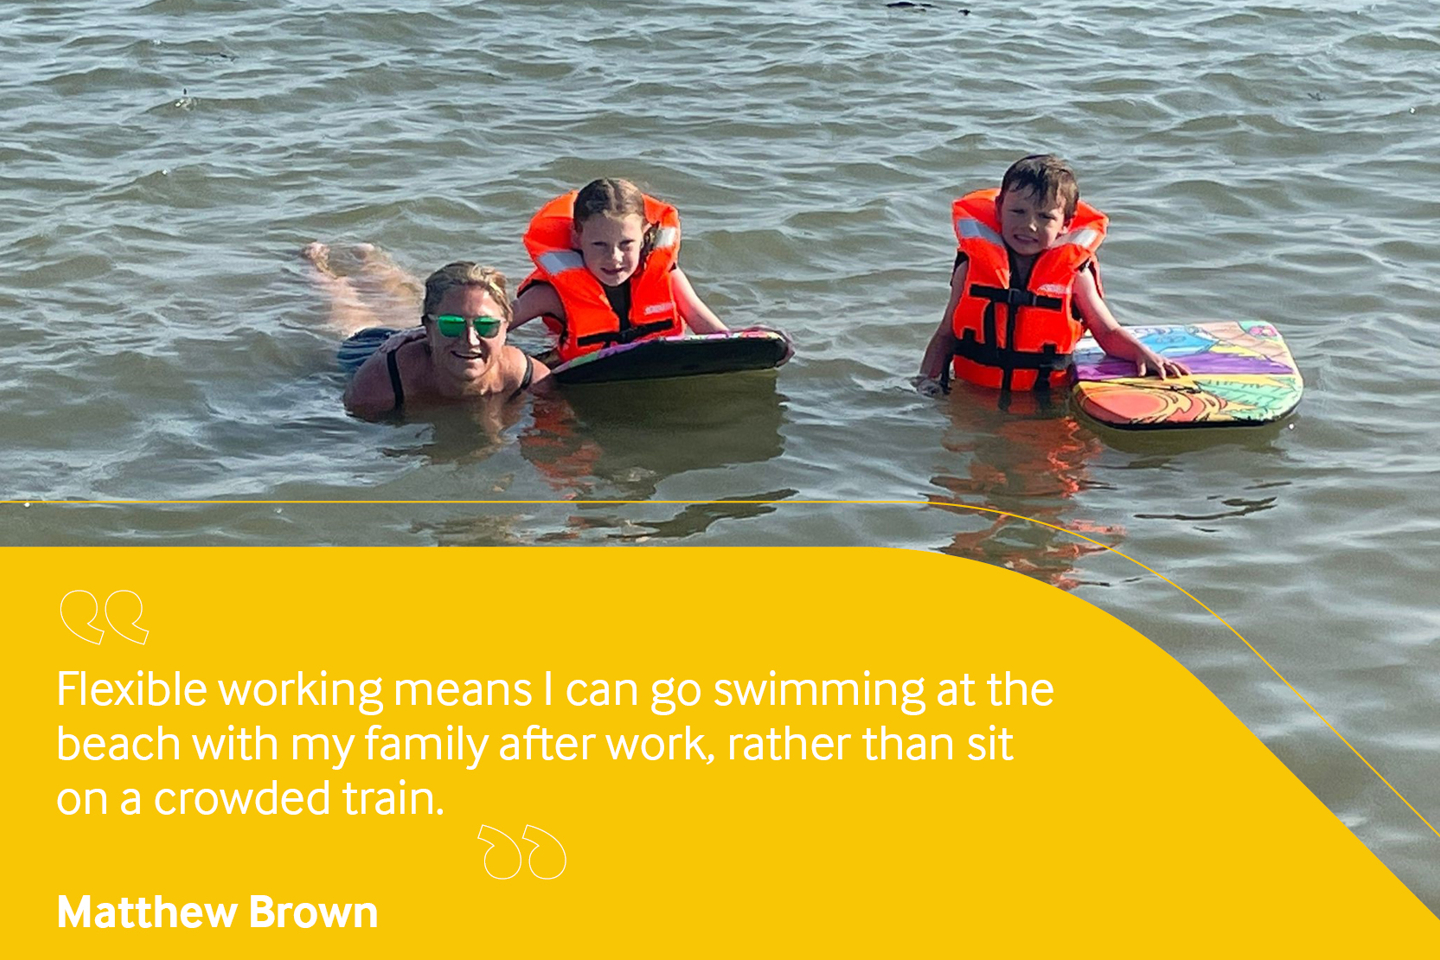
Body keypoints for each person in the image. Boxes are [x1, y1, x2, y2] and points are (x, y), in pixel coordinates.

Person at [916, 154, 1189, 397]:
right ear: (999, 209)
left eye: (1045, 216)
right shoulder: (972, 265)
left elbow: (1107, 331)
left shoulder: (1074, 273)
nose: (1029, 225)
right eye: (1018, 211)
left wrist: (1143, 354)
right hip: (974, 395)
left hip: (1044, 402)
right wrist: (926, 381)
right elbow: (946, 335)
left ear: (1065, 224)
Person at [304, 245, 548, 417]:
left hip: (433, 344)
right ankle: (315, 266)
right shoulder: (381, 383)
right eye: (452, 324)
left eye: (487, 326)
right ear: (428, 328)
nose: (470, 339)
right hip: (369, 350)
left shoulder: (526, 376)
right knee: (347, 308)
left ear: (506, 327)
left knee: (401, 306)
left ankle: (368, 258)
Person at [511, 178, 728, 363]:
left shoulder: (667, 277)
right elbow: (492, 324)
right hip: (571, 365)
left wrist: (748, 340)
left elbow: (711, 330)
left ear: (644, 236)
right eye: (599, 244)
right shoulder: (550, 295)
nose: (614, 257)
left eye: (626, 244)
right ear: (577, 238)